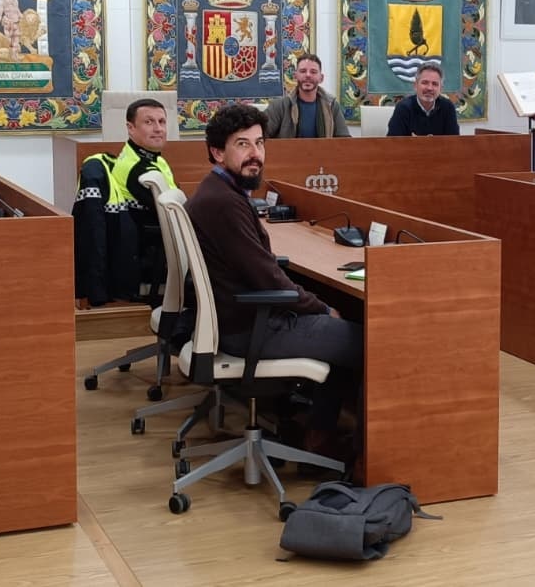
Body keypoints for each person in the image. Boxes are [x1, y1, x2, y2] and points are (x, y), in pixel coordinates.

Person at [187, 104, 363, 459]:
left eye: (260, 143)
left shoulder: (218, 191)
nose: (255, 154)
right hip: (252, 328)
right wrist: (322, 308)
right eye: (243, 144)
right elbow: (266, 277)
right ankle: (338, 445)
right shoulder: (224, 204)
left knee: (348, 322)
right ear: (218, 152)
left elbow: (262, 271)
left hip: (240, 320)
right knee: (370, 341)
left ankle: (316, 428)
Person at [74, 98, 178, 308]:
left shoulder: (154, 159)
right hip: (154, 255)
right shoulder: (137, 170)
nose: (158, 129)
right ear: (131, 128)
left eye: (162, 122)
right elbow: (176, 216)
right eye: (149, 122)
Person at [264, 53, 351, 138]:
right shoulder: (279, 106)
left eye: (313, 72)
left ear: (321, 78)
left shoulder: (332, 106)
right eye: (303, 71)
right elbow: (261, 136)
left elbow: (345, 141)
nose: (308, 75)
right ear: (295, 76)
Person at [387, 63, 460, 136]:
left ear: (441, 89)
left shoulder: (448, 107)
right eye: (425, 83)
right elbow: (392, 141)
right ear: (415, 85)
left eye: (435, 84)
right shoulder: (403, 108)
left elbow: (455, 141)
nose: (429, 88)